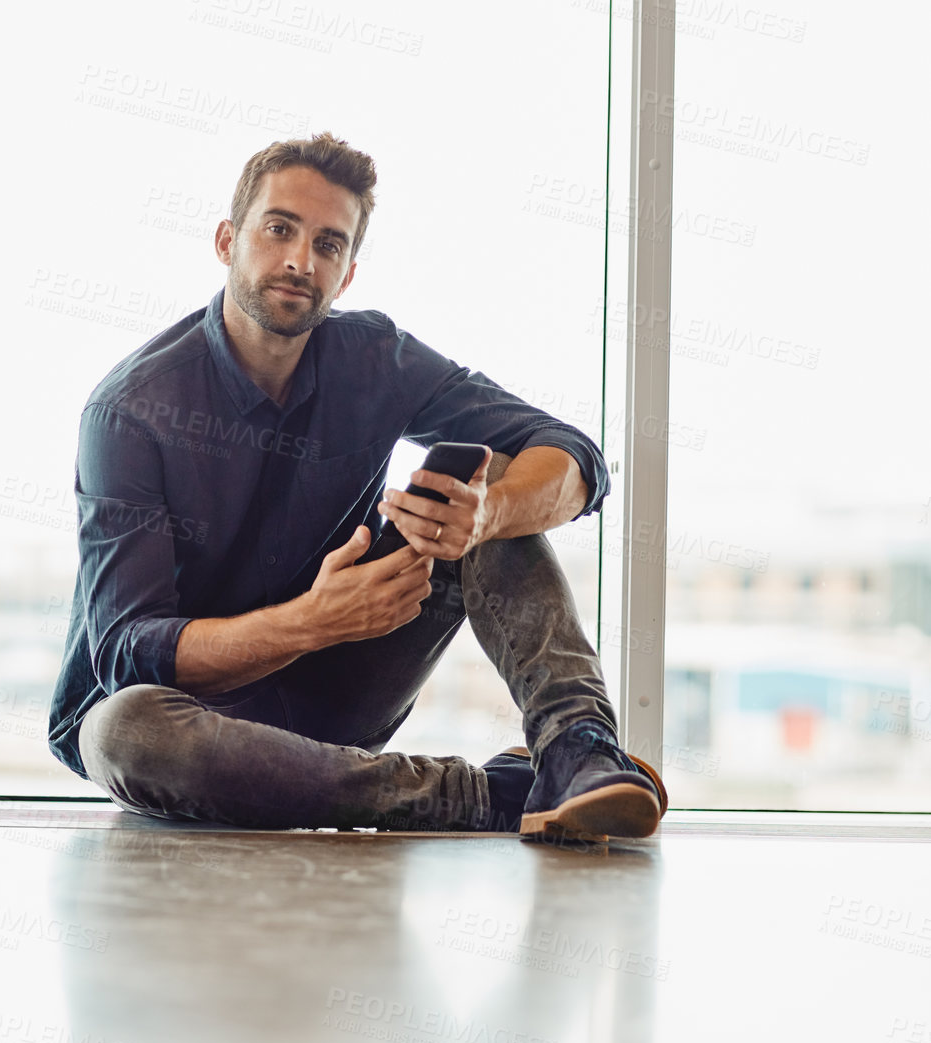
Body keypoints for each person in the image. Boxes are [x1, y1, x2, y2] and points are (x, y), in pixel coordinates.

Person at [48, 133, 666, 840]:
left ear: (345, 275)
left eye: (329, 244)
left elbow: (575, 456)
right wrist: (312, 621)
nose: (299, 261)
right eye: (278, 229)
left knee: (483, 484)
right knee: (125, 731)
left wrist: (487, 512)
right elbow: (127, 648)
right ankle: (483, 796)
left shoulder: (374, 358)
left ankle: (577, 749)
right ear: (227, 240)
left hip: (334, 696)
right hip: (188, 727)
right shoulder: (129, 409)